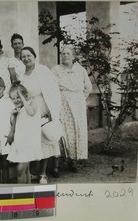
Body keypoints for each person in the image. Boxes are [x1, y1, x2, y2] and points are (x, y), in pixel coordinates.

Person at [19, 47, 62, 184]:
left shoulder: (43, 71)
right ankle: (32, 171)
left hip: (43, 106)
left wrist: (50, 109)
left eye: (29, 55)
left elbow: (53, 90)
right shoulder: (21, 73)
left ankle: (42, 173)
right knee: (31, 140)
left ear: (34, 56)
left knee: (44, 139)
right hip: (28, 109)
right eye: (23, 56)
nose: (26, 59)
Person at [52, 44, 92, 172]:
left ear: (73, 56)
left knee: (77, 130)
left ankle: (74, 160)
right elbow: (51, 87)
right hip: (62, 103)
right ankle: (58, 162)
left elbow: (88, 87)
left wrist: (80, 98)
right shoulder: (55, 70)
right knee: (63, 131)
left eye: (68, 54)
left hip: (78, 104)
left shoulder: (81, 70)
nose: (65, 56)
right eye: (63, 53)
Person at [6, 82, 43, 184]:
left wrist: (22, 97)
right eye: (13, 98)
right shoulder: (18, 109)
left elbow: (31, 113)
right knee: (25, 169)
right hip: (20, 142)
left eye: (18, 97)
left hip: (30, 142)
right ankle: (28, 190)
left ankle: (20, 193)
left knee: (20, 169)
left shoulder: (32, 103)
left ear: (25, 95)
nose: (16, 100)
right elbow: (14, 126)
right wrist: (12, 116)